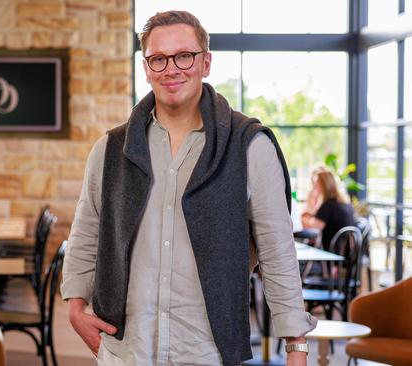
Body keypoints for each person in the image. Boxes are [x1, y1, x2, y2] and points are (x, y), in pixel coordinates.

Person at [61, 10, 317, 366]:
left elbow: (278, 252)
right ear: (146, 67)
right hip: (125, 351)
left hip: (207, 352)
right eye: (158, 59)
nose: (171, 69)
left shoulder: (249, 148)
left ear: (206, 62)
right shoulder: (109, 150)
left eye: (184, 56)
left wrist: (296, 348)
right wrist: (74, 305)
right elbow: (86, 231)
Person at [302, 166, 356, 250]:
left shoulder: (327, 206)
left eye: (316, 185)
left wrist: (303, 216)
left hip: (333, 254)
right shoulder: (344, 204)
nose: (314, 188)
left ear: (322, 186)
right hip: (348, 253)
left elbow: (312, 229)